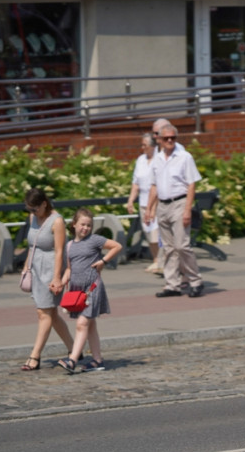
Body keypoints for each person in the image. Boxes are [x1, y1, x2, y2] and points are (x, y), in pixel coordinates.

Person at [56, 208, 122, 373]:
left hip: (92, 288)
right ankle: (97, 360)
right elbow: (69, 270)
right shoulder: (69, 246)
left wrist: (103, 261)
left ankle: (72, 360)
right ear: (74, 225)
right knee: (90, 325)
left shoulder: (95, 240)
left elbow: (116, 246)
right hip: (77, 291)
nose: (85, 228)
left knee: (82, 323)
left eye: (89, 225)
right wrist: (61, 283)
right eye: (82, 225)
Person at [145, 123, 204, 298]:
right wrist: (149, 209)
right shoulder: (157, 159)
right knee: (169, 247)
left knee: (182, 245)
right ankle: (172, 284)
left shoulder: (184, 157)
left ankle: (195, 280)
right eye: (166, 138)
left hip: (179, 202)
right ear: (160, 140)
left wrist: (187, 210)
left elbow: (191, 184)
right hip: (163, 205)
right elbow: (154, 186)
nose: (170, 141)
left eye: (173, 137)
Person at [20, 188, 75, 371]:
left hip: (51, 270)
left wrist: (57, 277)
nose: (32, 212)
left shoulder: (57, 221)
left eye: (34, 209)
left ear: (44, 204)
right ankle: (74, 350)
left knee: (43, 313)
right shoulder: (33, 218)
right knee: (51, 314)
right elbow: (31, 245)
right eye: (29, 209)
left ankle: (34, 356)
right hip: (36, 268)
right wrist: (26, 267)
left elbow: (60, 251)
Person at [126, 132, 162, 274]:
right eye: (141, 145)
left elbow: (158, 185)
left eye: (145, 145)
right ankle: (156, 260)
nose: (142, 148)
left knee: (156, 232)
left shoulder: (159, 159)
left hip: (157, 202)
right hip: (143, 201)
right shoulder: (140, 160)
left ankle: (161, 261)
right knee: (148, 232)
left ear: (153, 146)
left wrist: (152, 207)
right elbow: (136, 183)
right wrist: (130, 201)